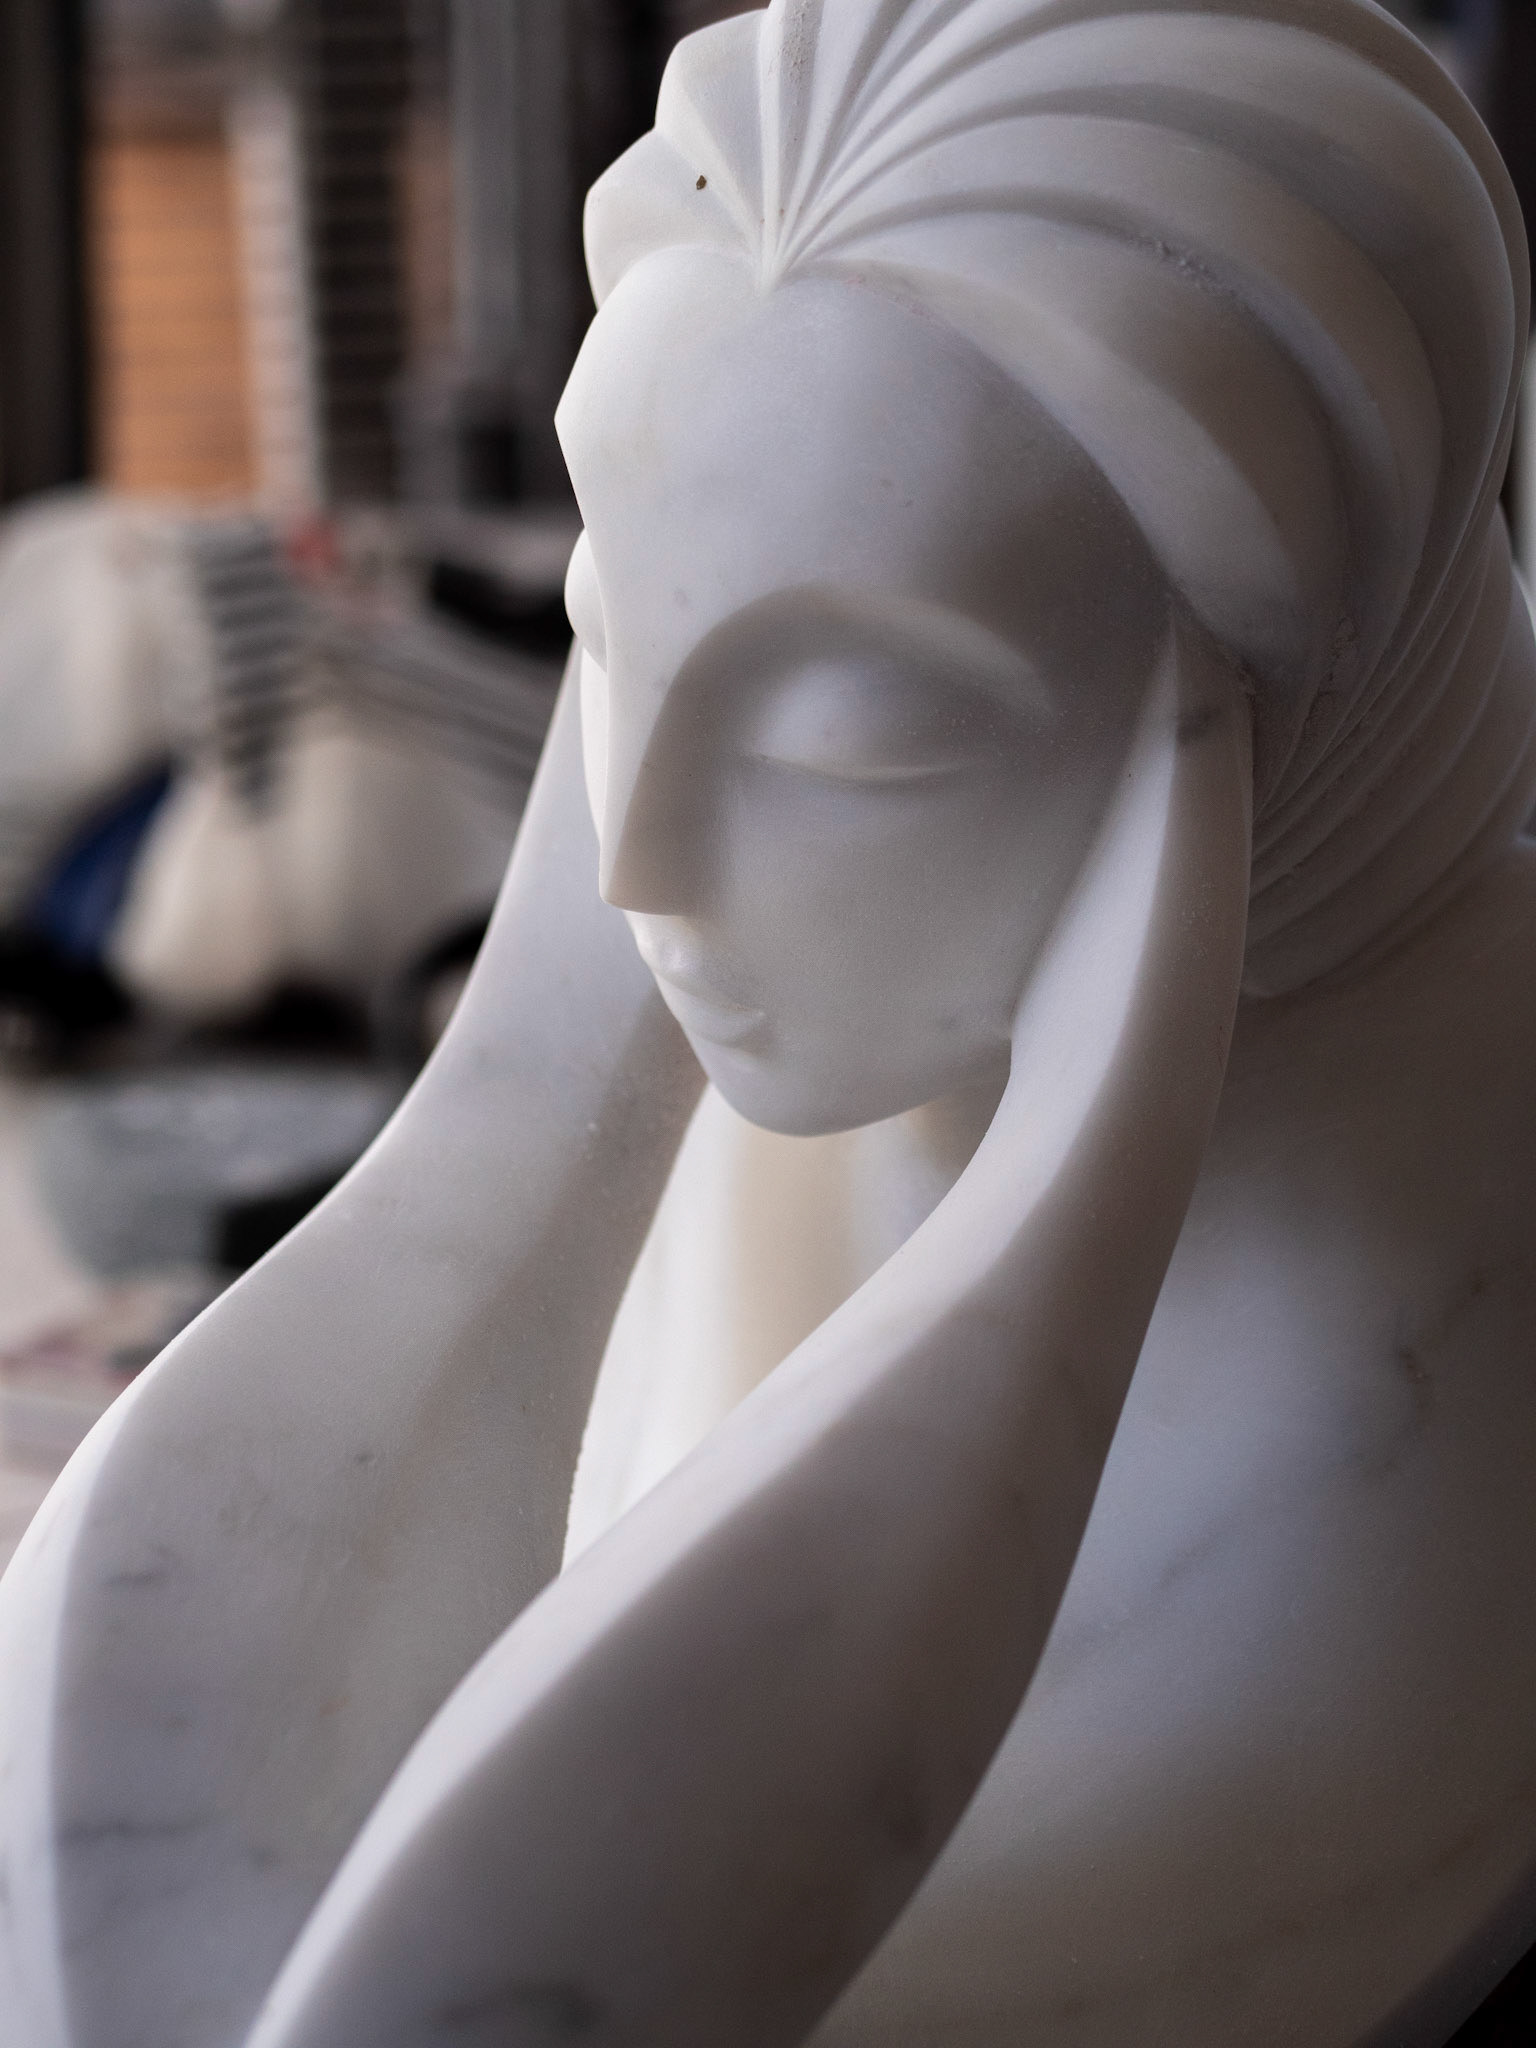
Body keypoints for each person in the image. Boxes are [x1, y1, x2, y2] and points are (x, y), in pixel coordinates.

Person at [3, 6, 1534, 2045]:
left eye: (850, 738)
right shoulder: (814, 1063)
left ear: (1244, 728)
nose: (639, 870)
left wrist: (1068, 1184)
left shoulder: (1447, 1310)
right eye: (615, 642)